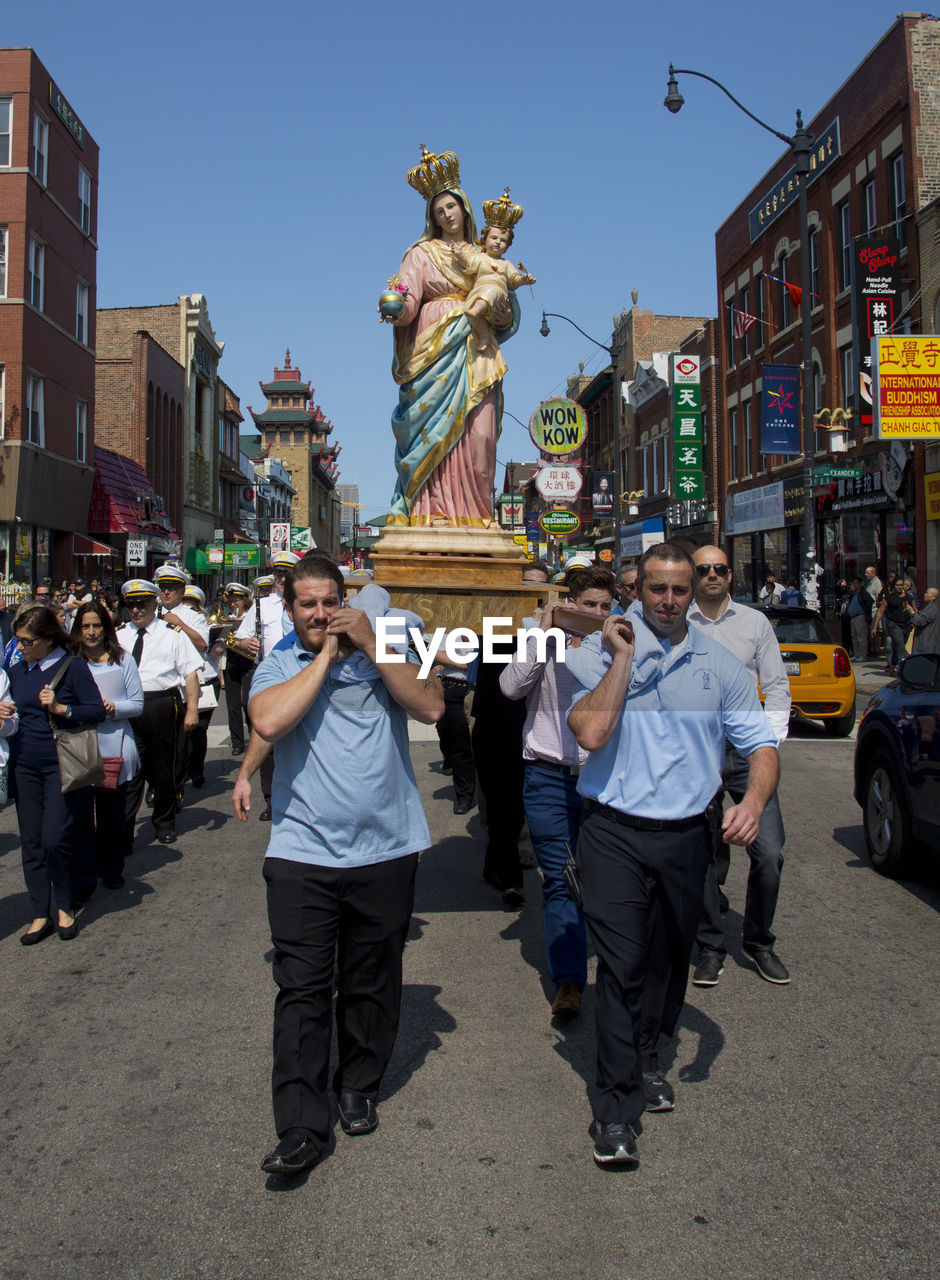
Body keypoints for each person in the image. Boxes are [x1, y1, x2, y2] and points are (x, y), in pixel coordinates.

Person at [566, 543, 778, 1167]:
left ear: (696, 593)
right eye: (655, 589)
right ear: (638, 588)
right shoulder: (596, 651)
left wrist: (756, 802)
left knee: (668, 964)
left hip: (688, 836)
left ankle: (649, 1057)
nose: (666, 601)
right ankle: (614, 1110)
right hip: (612, 832)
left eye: (679, 590)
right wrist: (624, 658)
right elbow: (591, 732)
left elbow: (761, 746)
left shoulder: (721, 665)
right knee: (623, 965)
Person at [233, 553, 444, 1177]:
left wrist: (371, 646)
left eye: (331, 602)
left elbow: (431, 706)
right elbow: (268, 719)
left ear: (346, 598)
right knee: (300, 988)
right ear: (290, 606)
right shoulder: (280, 660)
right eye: (308, 605)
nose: (321, 614)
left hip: (386, 843)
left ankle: (359, 1082)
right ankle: (301, 1125)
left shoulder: (390, 640)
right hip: (302, 850)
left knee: (372, 976)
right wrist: (325, 656)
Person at [499, 566, 615, 1020]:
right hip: (547, 774)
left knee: (602, 879)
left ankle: (615, 969)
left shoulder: (617, 644)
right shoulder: (538, 634)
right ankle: (569, 979)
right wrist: (547, 634)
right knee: (560, 877)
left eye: (606, 606)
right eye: (590, 606)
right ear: (568, 603)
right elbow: (510, 687)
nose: (598, 613)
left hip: (600, 777)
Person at [383, 147, 519, 528]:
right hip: (432, 349)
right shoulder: (420, 254)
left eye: (452, 207)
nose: (447, 214)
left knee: (481, 437)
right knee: (429, 432)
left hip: (478, 352)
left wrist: (499, 306)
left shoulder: (484, 254)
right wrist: (396, 305)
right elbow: (407, 296)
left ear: (465, 209)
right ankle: (430, 513)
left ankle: (476, 517)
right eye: (439, 210)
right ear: (432, 217)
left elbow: (506, 315)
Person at [687, 546, 792, 987]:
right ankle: (711, 945)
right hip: (698, 752)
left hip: (747, 751)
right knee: (703, 856)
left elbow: (777, 685)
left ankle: (759, 941)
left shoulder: (755, 622)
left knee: (768, 852)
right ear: (692, 576)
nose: (712, 574)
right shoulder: (677, 621)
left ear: (731, 575)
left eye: (720, 568)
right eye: (703, 569)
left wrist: (767, 742)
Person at [8, 604, 106, 943]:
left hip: (61, 765)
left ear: (48, 639)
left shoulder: (72, 667)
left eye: (27, 641)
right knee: (32, 842)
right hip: (24, 764)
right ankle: (40, 914)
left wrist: (62, 708)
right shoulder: (18, 670)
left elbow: (96, 710)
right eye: (18, 640)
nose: (21, 647)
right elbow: (14, 715)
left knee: (54, 838)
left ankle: (65, 905)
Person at [117, 579, 202, 846]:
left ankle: (164, 822)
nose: (136, 610)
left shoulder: (172, 633)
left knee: (163, 768)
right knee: (130, 770)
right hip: (129, 706)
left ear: (155, 604)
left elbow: (190, 673)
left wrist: (192, 710)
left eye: (142, 604)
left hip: (162, 704)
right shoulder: (120, 636)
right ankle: (124, 830)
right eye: (131, 605)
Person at [71, 601, 144, 890]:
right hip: (79, 747)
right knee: (80, 817)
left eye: (97, 625)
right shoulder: (70, 661)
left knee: (112, 816)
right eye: (85, 626)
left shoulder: (123, 660)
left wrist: (112, 707)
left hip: (114, 745)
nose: (91, 632)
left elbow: (137, 704)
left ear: (107, 627)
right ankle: (84, 873)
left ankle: (111, 868)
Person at [232, 552, 299, 820]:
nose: (282, 578)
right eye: (278, 573)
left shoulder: (302, 601)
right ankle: (272, 799)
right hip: (268, 678)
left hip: (298, 676)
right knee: (265, 740)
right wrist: (244, 644)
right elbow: (238, 639)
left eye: (287, 573)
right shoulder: (261, 605)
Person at [452, 202, 535, 353]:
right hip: (478, 293)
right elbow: (468, 262)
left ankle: (477, 311)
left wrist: (523, 280)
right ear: (485, 238)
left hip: (496, 294)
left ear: (508, 245)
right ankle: (483, 334)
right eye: (494, 238)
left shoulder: (506, 264)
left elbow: (513, 280)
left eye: (503, 241)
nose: (498, 242)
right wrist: (459, 255)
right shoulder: (480, 257)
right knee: (477, 313)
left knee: (490, 293)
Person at [182, 584, 219, 788]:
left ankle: (196, 769)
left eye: (192, 605)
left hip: (205, 679)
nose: (187, 608)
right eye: (184, 603)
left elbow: (204, 645)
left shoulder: (203, 623)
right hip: (182, 682)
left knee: (199, 729)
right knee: (181, 731)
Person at [222, 582, 254, 755]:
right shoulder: (227, 618)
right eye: (231, 601)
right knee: (232, 704)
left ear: (244, 600)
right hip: (232, 662)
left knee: (247, 702)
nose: (233, 604)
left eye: (237, 600)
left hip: (248, 662)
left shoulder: (251, 615)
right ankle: (237, 742)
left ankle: (253, 736)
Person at [872, 575, 911, 674]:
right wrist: (875, 627)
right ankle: (902, 671)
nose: (899, 587)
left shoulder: (908, 597)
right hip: (894, 625)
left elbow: (915, 610)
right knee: (900, 646)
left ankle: (892, 665)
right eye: (897, 585)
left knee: (897, 647)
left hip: (906, 625)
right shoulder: (889, 598)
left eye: (901, 585)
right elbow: (880, 612)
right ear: (894, 586)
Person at [846, 577, 873, 662]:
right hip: (853, 617)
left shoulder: (863, 593)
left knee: (861, 637)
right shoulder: (854, 594)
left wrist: (864, 610)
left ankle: (862, 655)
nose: (854, 585)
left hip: (860, 617)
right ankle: (856, 654)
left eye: (856, 583)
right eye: (853, 583)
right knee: (854, 637)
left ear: (860, 584)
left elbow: (870, 602)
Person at [908, 586, 939, 654]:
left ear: (933, 597)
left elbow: (920, 621)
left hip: (926, 644)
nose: (925, 595)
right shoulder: (927, 607)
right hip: (922, 641)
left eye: (927, 593)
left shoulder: (932, 609)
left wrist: (912, 613)